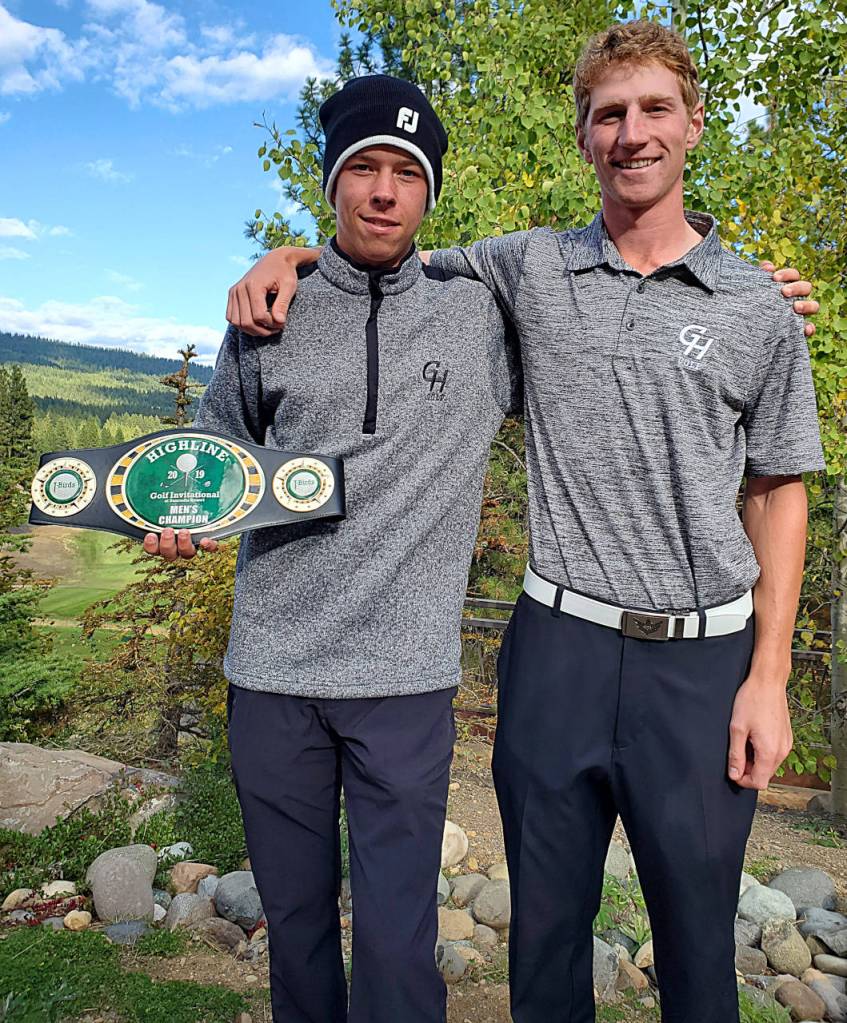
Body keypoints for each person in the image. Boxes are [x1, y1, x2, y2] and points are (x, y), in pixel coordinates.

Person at [226, 21, 825, 1023]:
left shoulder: (755, 304)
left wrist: (770, 678)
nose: (631, 133)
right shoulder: (527, 269)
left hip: (700, 663)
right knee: (544, 947)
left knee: (696, 951)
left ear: (693, 125)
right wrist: (282, 251)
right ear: (584, 135)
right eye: (608, 114)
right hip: (557, 651)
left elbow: (777, 489)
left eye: (652, 110)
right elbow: (379, 249)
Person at [144, 74, 519, 1023]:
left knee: (397, 946)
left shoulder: (480, 316)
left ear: (430, 191)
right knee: (298, 929)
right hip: (271, 676)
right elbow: (217, 463)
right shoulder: (266, 316)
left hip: (405, 685)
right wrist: (180, 519)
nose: (382, 190)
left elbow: (610, 288)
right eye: (361, 168)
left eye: (404, 171)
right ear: (331, 183)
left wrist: (742, 290)